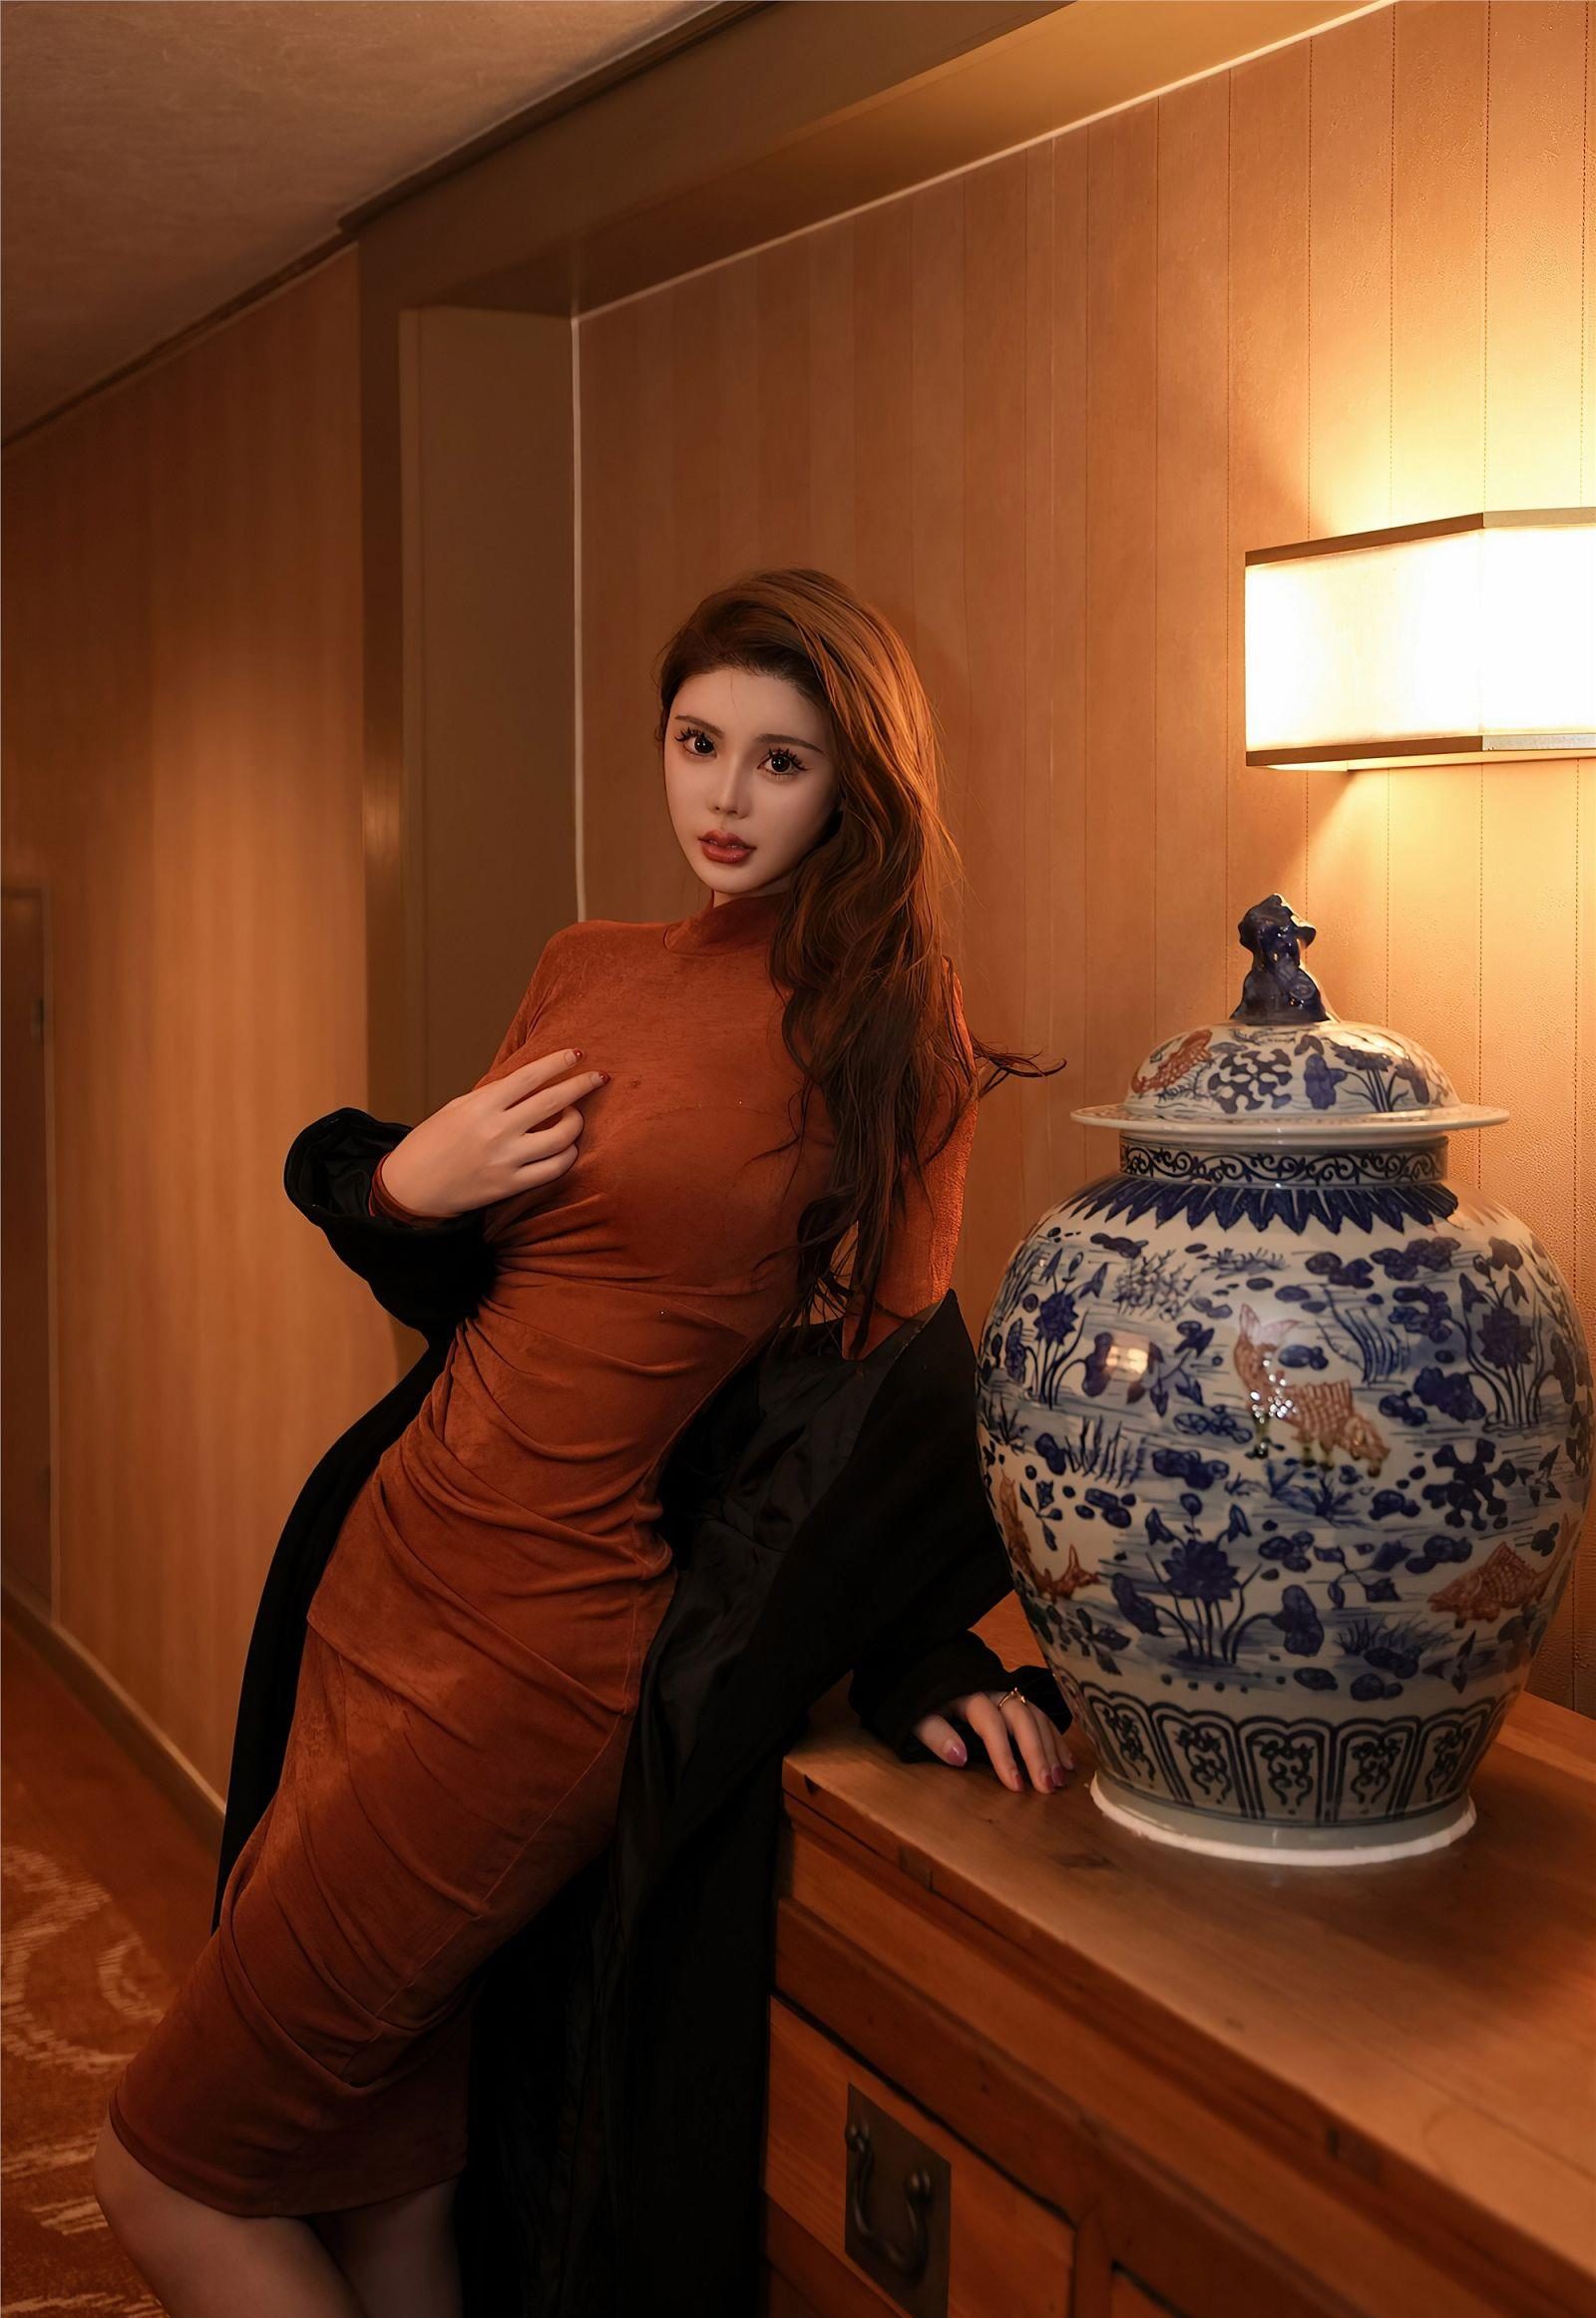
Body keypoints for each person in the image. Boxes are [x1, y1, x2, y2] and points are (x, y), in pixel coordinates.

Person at [93, 568, 1072, 2317]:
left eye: (780, 760)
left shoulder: (887, 1033)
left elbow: (891, 1407)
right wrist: (410, 1180)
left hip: (537, 1659)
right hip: (379, 1577)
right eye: (698, 743)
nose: (725, 795)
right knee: (392, 2177)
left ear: (854, 784)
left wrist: (924, 1653)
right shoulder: (584, 966)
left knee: (156, 2172)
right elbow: (482, 1278)